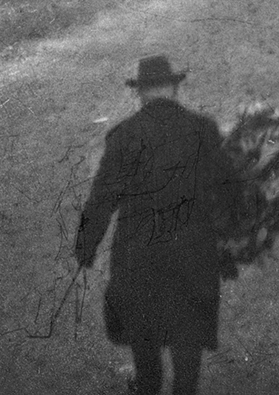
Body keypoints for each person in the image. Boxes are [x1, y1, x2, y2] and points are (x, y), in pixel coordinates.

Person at [75, 56, 250, 395]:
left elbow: (101, 199)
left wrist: (85, 246)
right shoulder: (204, 130)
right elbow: (230, 193)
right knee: (187, 360)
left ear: (140, 93)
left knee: (146, 355)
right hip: (194, 259)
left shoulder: (124, 136)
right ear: (174, 88)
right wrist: (230, 246)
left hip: (140, 262)